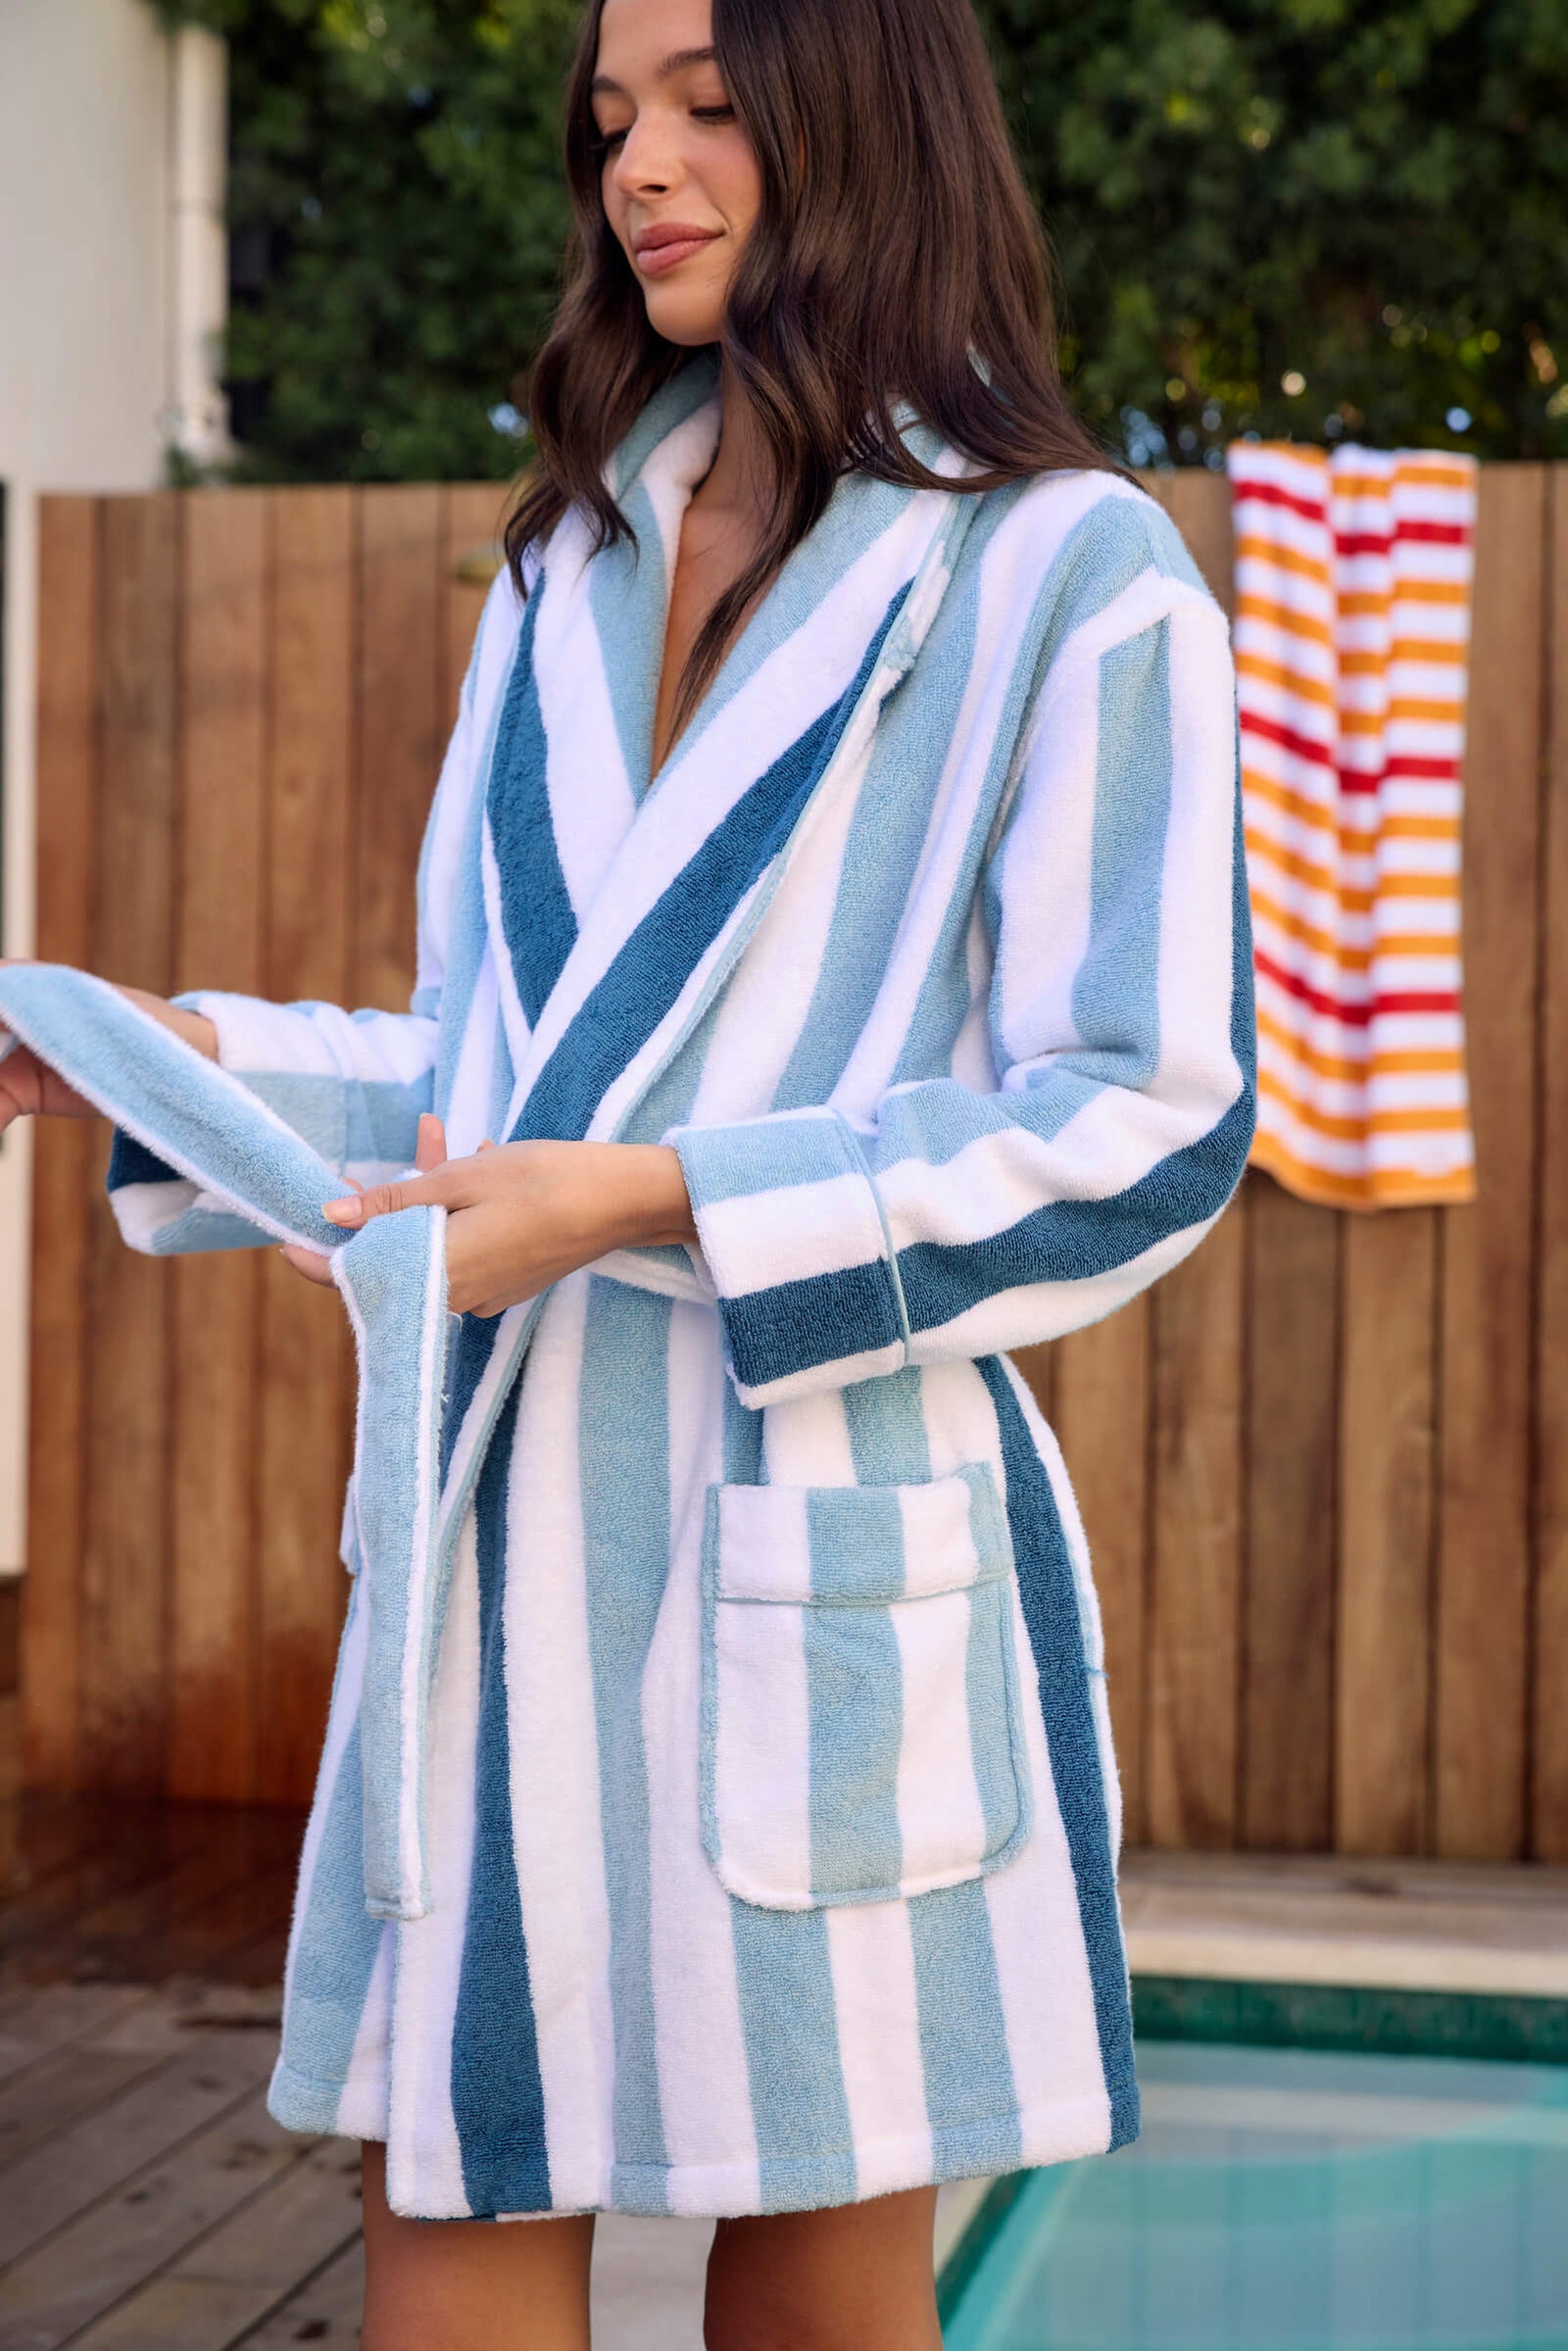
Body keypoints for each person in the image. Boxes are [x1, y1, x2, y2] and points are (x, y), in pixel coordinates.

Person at [0, 0, 1255, 2341]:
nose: (640, 170)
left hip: (817, 1539)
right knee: (440, 2200)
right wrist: (178, 1064)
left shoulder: (1064, 577)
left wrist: (667, 1200)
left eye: (703, 104)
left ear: (861, 105)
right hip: (497, 1543)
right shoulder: (567, 568)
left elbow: (1145, 1118)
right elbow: (495, 1081)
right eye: (609, 122)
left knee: (812, 2245)